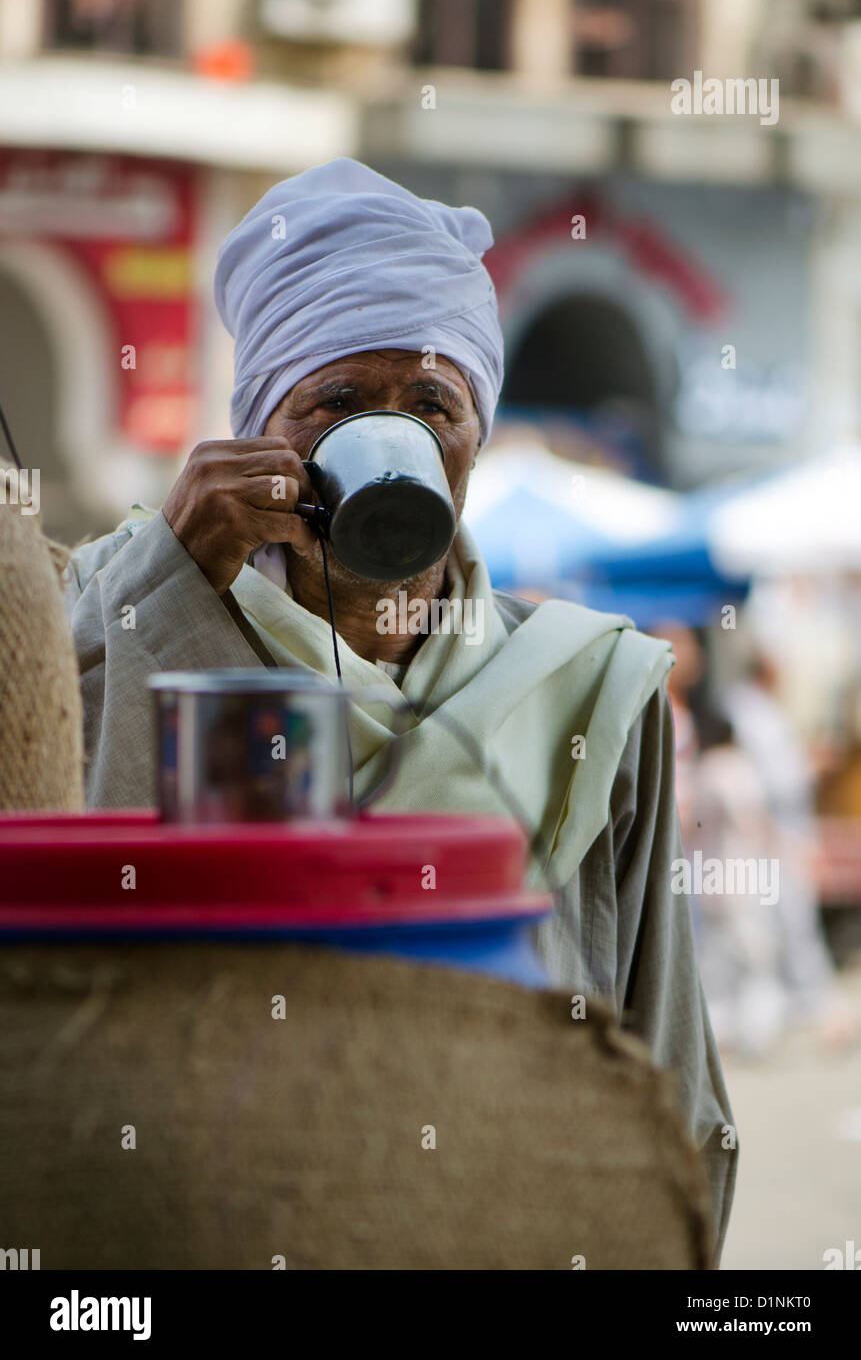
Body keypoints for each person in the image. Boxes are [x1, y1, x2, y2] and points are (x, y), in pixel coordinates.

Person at [64, 158, 736, 1259]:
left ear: (478, 433)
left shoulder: (592, 683)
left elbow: (667, 1075)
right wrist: (162, 582)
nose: (398, 436)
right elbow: (65, 877)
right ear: (262, 432)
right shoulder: (122, 606)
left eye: (433, 403)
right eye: (337, 403)